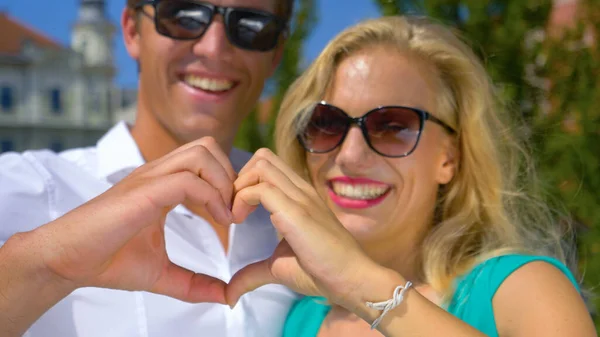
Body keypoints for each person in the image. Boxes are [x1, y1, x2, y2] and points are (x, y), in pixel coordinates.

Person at [222, 16, 598, 337]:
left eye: (392, 126)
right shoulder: (298, 321)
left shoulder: (520, 289)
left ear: (449, 158)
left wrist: (359, 283)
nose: (350, 155)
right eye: (327, 124)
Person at [0, 0, 299, 336]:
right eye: (183, 16)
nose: (214, 48)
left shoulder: (306, 212)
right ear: (131, 31)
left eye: (251, 26)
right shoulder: (22, 187)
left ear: (275, 54)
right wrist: (42, 267)